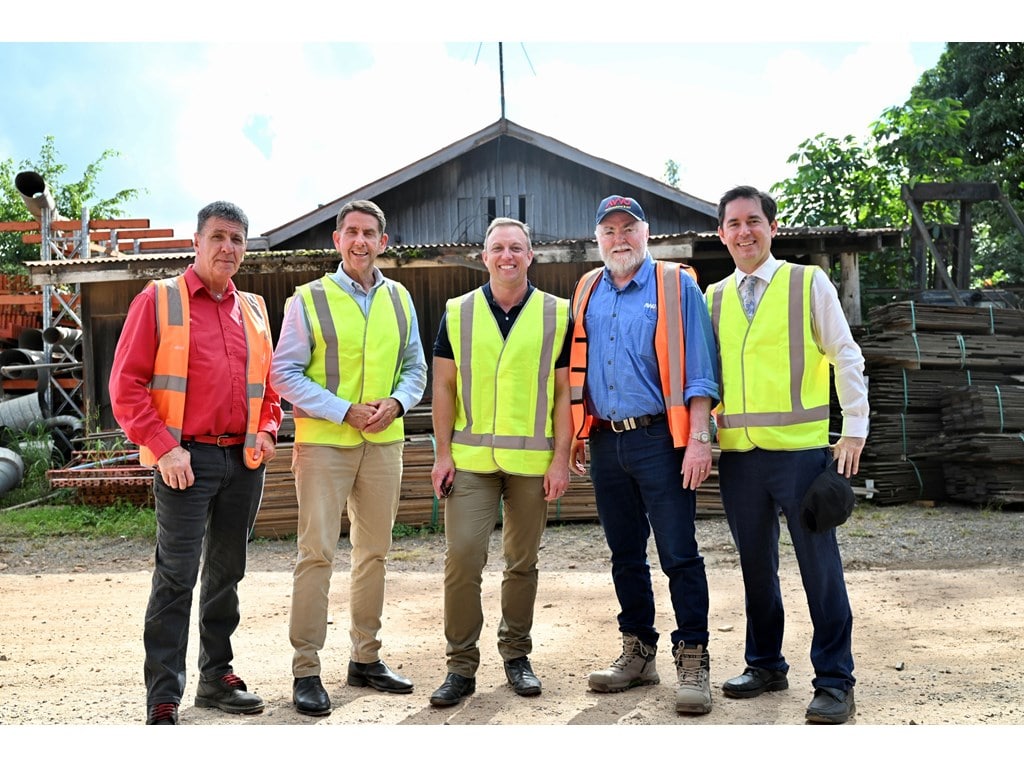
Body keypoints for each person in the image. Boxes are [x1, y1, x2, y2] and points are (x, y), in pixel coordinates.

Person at [109, 200, 281, 726]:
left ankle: (215, 677)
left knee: (227, 573)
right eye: (219, 237)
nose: (228, 248)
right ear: (197, 241)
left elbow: (269, 389)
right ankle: (164, 692)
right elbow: (125, 385)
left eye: (237, 240)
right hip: (185, 460)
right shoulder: (159, 299)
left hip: (243, 460)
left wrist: (269, 430)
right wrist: (164, 447)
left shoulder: (252, 307)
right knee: (176, 576)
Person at [706, 185, 868, 725]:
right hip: (739, 458)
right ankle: (766, 664)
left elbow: (845, 353)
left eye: (754, 221)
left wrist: (854, 431)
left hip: (800, 456)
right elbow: (704, 381)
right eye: (733, 223)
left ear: (772, 228)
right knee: (756, 568)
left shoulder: (807, 282)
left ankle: (835, 680)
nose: (744, 231)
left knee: (819, 570)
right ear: (722, 233)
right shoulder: (713, 298)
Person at [270, 199, 427, 716]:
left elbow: (415, 366)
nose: (360, 241)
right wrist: (343, 411)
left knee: (374, 552)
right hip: (324, 445)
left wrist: (398, 401)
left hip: (383, 444)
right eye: (351, 232)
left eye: (370, 233)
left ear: (383, 242)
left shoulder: (401, 299)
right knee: (316, 554)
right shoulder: (308, 299)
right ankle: (306, 669)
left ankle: (365, 658)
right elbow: (284, 373)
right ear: (337, 240)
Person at [568, 195, 720, 715]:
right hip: (608, 440)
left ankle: (693, 656)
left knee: (679, 553)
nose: (619, 239)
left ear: (646, 233)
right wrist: (577, 433)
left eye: (627, 229)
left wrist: (700, 438)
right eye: (608, 231)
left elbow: (700, 367)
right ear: (598, 239)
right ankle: (638, 652)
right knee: (625, 554)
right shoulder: (587, 287)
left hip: (662, 440)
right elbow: (578, 369)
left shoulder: (677, 285)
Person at [428, 217, 571, 707]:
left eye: (517, 248)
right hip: (469, 460)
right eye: (497, 248)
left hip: (533, 462)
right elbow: (443, 387)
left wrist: (560, 460)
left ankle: (516, 656)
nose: (507, 256)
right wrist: (441, 453)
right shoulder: (457, 312)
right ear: (483, 256)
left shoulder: (558, 314)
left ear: (531, 256)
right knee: (463, 559)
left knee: (522, 563)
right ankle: (460, 665)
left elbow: (563, 396)